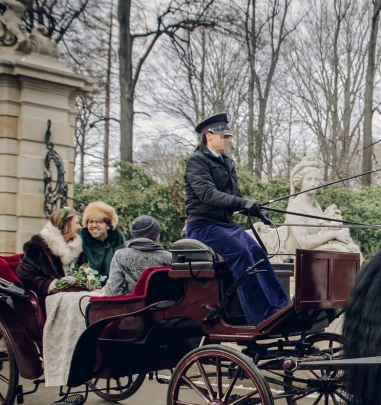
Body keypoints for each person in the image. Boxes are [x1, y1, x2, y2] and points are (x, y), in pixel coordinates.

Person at [184, 112, 289, 325]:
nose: (228, 139)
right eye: (224, 136)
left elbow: (234, 198)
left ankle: (281, 307)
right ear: (209, 135)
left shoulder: (226, 162)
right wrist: (243, 203)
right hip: (203, 225)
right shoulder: (197, 161)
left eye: (228, 135)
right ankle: (261, 317)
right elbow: (208, 195)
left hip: (225, 225)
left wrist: (254, 210)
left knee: (258, 252)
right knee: (241, 253)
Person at [16, 206, 84, 303]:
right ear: (65, 225)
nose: (79, 227)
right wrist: (51, 285)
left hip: (74, 296)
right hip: (48, 299)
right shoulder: (37, 246)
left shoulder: (77, 249)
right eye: (77, 223)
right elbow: (25, 276)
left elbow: (82, 272)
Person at [101, 216, 173, 297]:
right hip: (165, 307)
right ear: (157, 236)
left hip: (133, 308)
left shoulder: (120, 255)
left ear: (134, 235)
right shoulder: (170, 257)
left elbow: (113, 292)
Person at [79, 201, 125, 279]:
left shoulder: (117, 240)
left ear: (108, 226)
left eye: (99, 222)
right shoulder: (81, 239)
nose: (94, 225)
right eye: (91, 222)